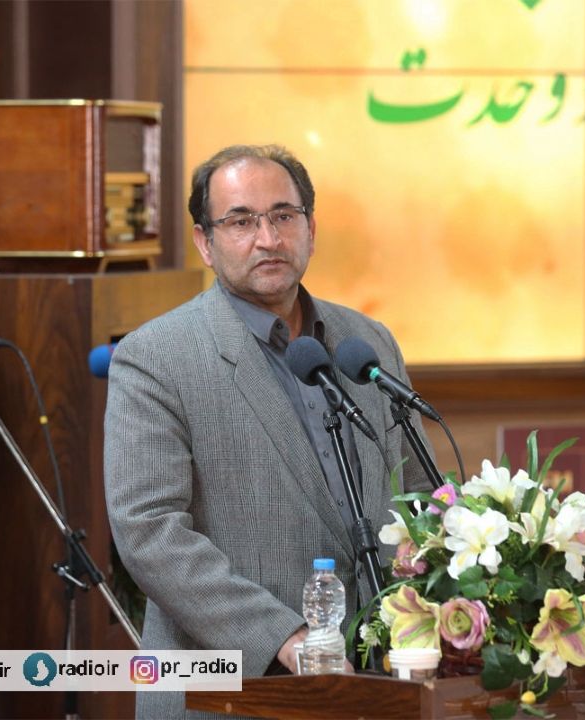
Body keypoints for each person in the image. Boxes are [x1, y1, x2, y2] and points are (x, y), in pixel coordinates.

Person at [104, 144, 430, 718]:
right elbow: (149, 531)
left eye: (284, 216)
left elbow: (418, 493)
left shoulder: (367, 341)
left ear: (311, 228)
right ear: (205, 242)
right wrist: (284, 638)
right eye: (241, 221)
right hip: (231, 693)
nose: (268, 238)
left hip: (377, 685)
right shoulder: (155, 357)